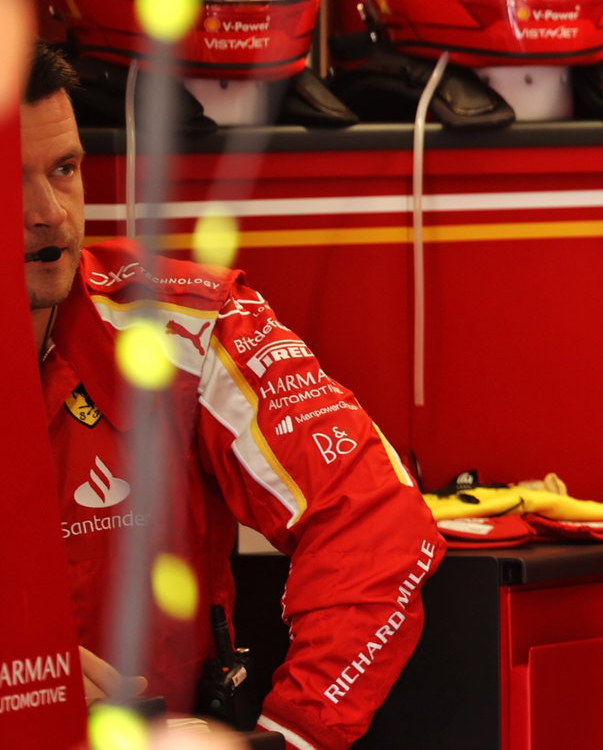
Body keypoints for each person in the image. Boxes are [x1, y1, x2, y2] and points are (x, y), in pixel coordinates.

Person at [22, 44, 444, 750]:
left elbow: (375, 521)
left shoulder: (183, 321)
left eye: (65, 169)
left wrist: (294, 732)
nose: (49, 214)